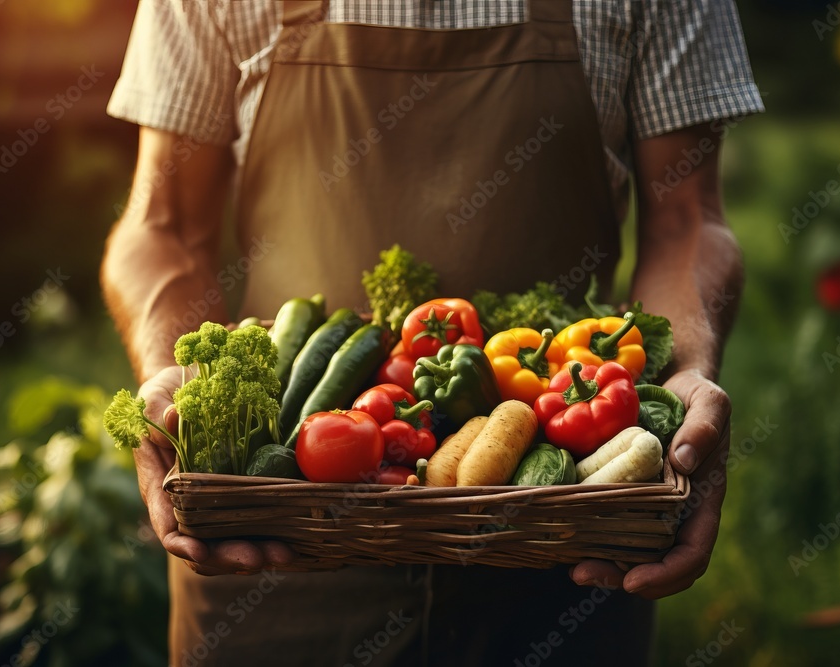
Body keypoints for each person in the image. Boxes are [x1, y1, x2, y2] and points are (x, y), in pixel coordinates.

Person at [101, 1, 763, 665]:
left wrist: (685, 371)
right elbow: (162, 226)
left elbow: (686, 219)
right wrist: (175, 383)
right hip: (270, 553)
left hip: (565, 546)